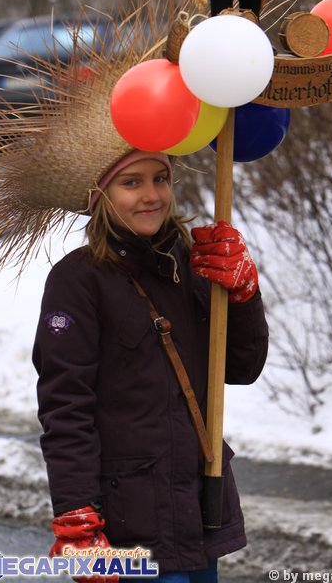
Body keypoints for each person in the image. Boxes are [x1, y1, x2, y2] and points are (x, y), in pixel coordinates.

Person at [32, 147, 269, 583]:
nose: (151, 195)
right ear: (99, 195)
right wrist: (77, 518)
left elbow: (241, 367)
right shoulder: (77, 282)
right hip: (130, 525)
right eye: (131, 182)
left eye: (159, 178)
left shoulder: (191, 260)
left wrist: (242, 296)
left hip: (200, 508)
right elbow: (66, 410)